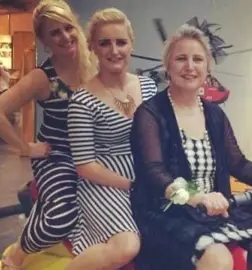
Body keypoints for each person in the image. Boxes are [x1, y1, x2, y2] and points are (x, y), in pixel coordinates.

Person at [129, 24, 252, 270]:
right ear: (167, 66)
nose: (190, 66)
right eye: (181, 58)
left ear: (207, 68)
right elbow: (155, 175)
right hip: (169, 214)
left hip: (214, 213)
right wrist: (198, 197)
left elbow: (240, 165)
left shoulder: (214, 115)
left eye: (198, 59)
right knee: (219, 259)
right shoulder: (151, 113)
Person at [0, 0, 96, 269]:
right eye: (54, 32)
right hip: (57, 156)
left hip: (92, 154)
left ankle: (39, 214)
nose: (65, 36)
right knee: (62, 218)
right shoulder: (42, 77)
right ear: (44, 41)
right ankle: (20, 252)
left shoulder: (94, 65)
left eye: (68, 27)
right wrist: (26, 147)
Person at [65, 8, 158, 270]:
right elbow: (84, 166)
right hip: (103, 183)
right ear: (92, 47)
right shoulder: (82, 100)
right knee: (127, 245)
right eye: (104, 43)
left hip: (146, 177)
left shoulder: (148, 86)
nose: (114, 50)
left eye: (121, 42)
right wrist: (133, 185)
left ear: (131, 44)